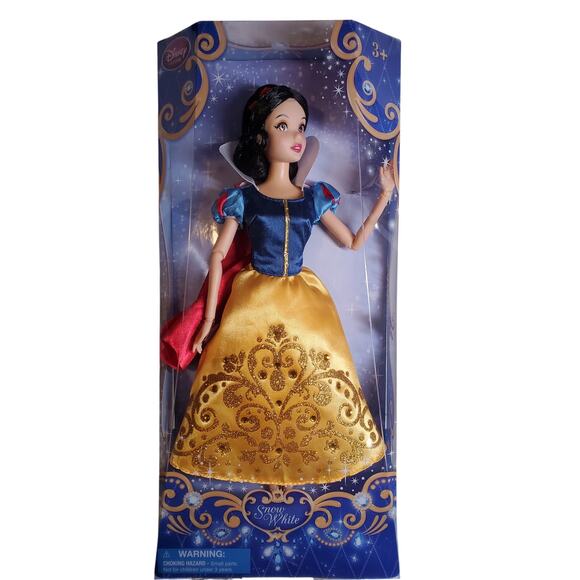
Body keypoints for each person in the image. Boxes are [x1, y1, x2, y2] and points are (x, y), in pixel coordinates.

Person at [163, 84, 395, 485]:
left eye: (301, 126)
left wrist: (385, 196)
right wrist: (208, 321)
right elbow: (217, 255)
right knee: (243, 379)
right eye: (283, 125)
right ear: (260, 136)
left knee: (314, 373)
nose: (296, 136)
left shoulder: (314, 197)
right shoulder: (244, 199)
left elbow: (354, 242)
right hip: (252, 301)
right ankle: (240, 453)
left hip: (305, 300)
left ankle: (315, 451)